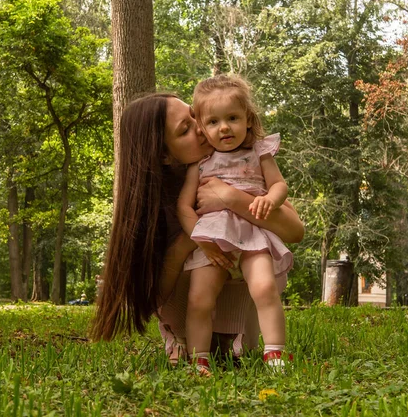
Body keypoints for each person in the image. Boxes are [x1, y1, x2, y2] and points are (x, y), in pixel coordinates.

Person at [89, 92, 304, 368]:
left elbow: (294, 230)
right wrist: (195, 239)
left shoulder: (240, 160)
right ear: (164, 155)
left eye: (194, 115)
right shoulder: (158, 205)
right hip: (191, 310)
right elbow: (153, 295)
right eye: (185, 129)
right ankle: (187, 345)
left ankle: (240, 340)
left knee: (256, 264)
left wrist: (230, 197)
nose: (201, 128)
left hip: (240, 311)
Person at [178, 74, 293, 374]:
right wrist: (200, 240)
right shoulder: (201, 162)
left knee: (265, 288)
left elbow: (280, 185)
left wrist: (273, 199)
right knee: (200, 298)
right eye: (213, 122)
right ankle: (199, 358)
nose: (224, 127)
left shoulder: (260, 152)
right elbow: (184, 206)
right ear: (202, 128)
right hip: (214, 238)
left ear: (248, 120)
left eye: (232, 118)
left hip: (253, 232)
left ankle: (276, 354)